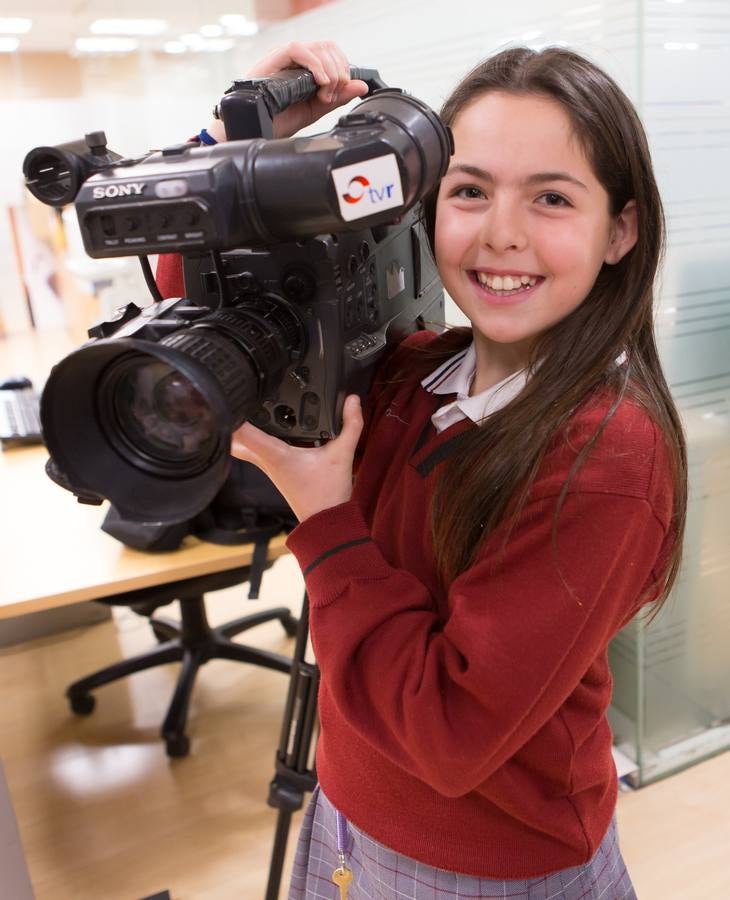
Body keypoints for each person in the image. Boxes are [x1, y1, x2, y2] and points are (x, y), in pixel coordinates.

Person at [158, 40, 687, 900]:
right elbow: (213, 313)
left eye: (551, 198)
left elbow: (449, 732)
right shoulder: (413, 373)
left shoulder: (607, 454)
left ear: (620, 230)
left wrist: (322, 518)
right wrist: (239, 136)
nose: (501, 233)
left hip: (486, 867)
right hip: (350, 806)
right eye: (470, 191)